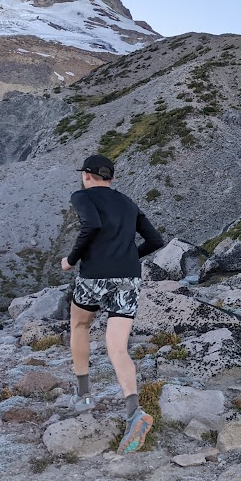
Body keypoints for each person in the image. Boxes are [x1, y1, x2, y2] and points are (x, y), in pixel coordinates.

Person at [61, 154, 165, 454]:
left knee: (79, 324)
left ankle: (84, 396)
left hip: (95, 276)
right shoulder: (128, 203)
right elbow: (155, 241)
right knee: (117, 347)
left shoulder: (82, 195)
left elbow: (90, 225)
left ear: (88, 176)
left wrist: (70, 261)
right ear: (112, 178)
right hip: (129, 279)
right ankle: (133, 411)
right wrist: (130, 257)